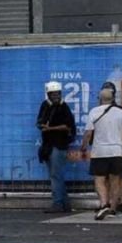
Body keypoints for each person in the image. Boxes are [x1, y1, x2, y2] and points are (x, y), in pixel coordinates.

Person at [80, 86, 122, 220]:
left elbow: (88, 133)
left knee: (99, 179)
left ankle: (103, 204)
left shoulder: (94, 112)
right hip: (117, 151)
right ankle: (113, 208)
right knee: (115, 180)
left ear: (100, 99)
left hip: (99, 151)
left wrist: (84, 146)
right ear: (113, 98)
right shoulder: (120, 113)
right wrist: (119, 143)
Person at [37, 80, 77, 214]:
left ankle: (58, 203)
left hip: (59, 145)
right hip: (48, 145)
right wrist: (43, 126)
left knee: (55, 175)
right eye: (53, 94)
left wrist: (49, 128)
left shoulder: (63, 107)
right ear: (48, 94)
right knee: (56, 175)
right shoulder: (45, 106)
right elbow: (39, 122)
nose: (55, 97)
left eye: (57, 94)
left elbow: (68, 126)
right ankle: (64, 203)